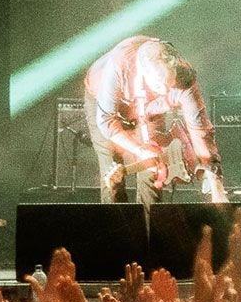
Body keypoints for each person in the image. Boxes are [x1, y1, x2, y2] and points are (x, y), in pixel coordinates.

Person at [83, 36, 227, 206]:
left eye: (169, 84)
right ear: (144, 72)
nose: (165, 90)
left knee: (154, 168)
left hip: (150, 110)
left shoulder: (183, 78)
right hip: (107, 107)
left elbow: (200, 130)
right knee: (112, 170)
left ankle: (151, 227)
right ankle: (118, 224)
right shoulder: (119, 66)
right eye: (159, 85)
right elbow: (106, 121)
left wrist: (216, 184)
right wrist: (139, 149)